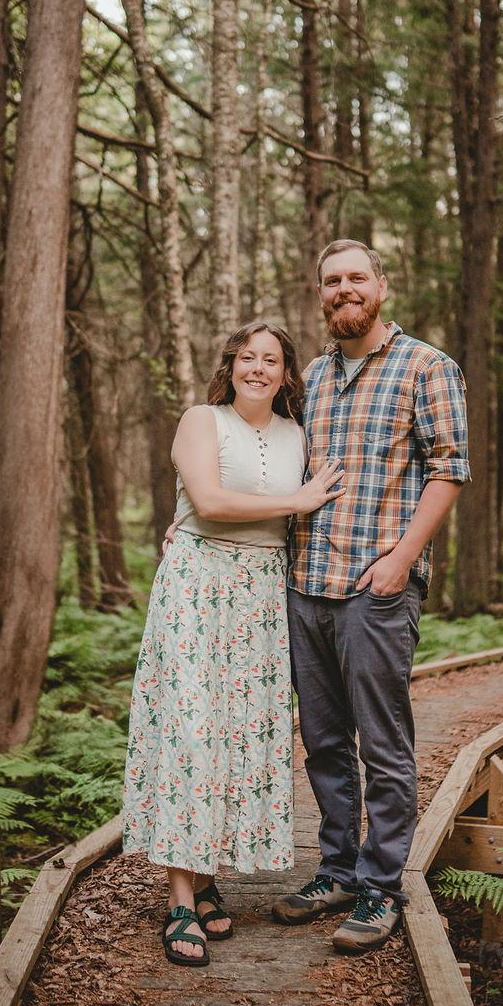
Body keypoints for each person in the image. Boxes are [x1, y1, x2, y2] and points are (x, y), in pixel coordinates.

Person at [122, 322, 345, 966]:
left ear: (285, 373)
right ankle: (180, 902)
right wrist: (298, 500)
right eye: (248, 357)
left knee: (240, 731)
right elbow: (210, 501)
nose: (259, 368)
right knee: (193, 731)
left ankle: (209, 875)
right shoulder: (201, 420)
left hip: (261, 592)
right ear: (232, 364)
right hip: (199, 583)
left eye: (271, 360)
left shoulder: (296, 434)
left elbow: (299, 511)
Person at [271, 240, 469, 953]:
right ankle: (337, 869)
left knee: (383, 745)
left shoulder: (426, 366)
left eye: (356, 277)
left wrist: (401, 560)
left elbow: (449, 469)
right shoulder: (314, 377)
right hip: (306, 586)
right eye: (331, 281)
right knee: (323, 743)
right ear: (319, 292)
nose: (343, 290)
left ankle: (381, 885)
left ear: (381, 286)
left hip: (374, 589)